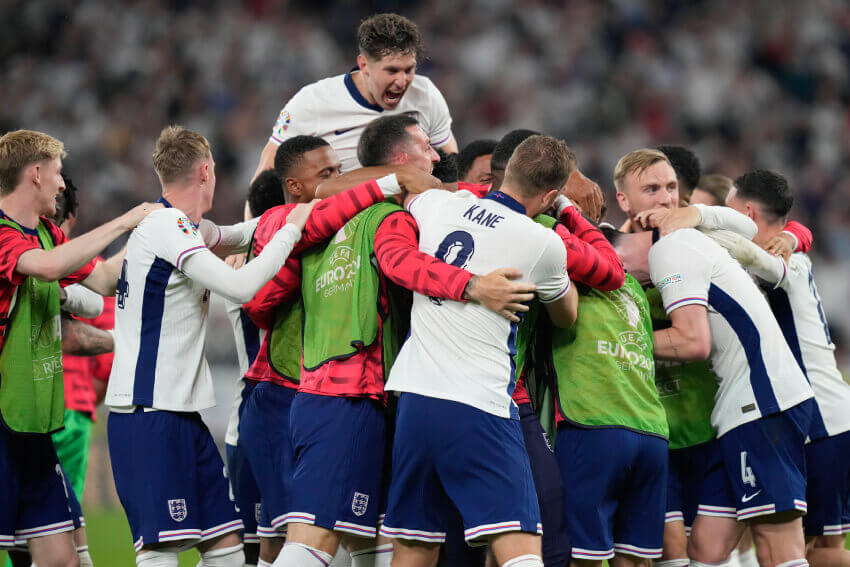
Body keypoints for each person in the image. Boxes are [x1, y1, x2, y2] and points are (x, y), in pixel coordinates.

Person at [105, 125, 320, 567]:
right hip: (149, 413)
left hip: (182, 416)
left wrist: (300, 211)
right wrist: (291, 230)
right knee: (160, 554)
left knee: (226, 549)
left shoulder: (180, 227)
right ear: (206, 171)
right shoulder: (166, 225)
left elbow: (236, 233)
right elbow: (240, 287)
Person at [381, 135, 580, 567]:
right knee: (521, 547)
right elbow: (566, 314)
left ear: (506, 172)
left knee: (415, 547)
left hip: (414, 398)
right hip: (478, 402)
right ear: (549, 195)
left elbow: (399, 187)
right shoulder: (542, 243)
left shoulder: (437, 205)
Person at [0, 129, 158, 567]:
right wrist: (126, 220)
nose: (63, 184)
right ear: (34, 174)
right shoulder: (4, 236)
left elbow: (104, 280)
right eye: (57, 173)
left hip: (33, 425)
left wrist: (157, 227)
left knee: (62, 561)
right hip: (2, 422)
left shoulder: (49, 234)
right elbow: (48, 270)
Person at [636, 212, 815, 567]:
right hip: (738, 410)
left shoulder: (670, 249)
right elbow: (747, 226)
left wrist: (619, 341)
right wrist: (699, 214)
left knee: (775, 545)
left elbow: (691, 341)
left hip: (762, 402)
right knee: (706, 547)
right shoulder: (697, 243)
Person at [708, 170, 850, 567]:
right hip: (833, 421)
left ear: (747, 213)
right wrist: (795, 233)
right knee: (816, 550)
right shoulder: (791, 253)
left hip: (819, 425)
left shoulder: (780, 263)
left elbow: (768, 261)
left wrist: (791, 235)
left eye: (727, 209)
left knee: (790, 552)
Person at [546, 225, 668, 567]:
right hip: (653, 432)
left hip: (594, 424)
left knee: (583, 557)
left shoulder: (574, 273)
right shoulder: (637, 292)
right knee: (635, 560)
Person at [252, 13, 457, 179]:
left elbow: (451, 165)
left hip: (411, 216)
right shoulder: (311, 102)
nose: (402, 81)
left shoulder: (425, 94)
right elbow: (265, 177)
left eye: (409, 69)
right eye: (392, 71)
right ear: (364, 65)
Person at [223, 169, 287, 567]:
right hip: (273, 415)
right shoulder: (274, 269)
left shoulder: (236, 266)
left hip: (245, 421)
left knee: (252, 547)